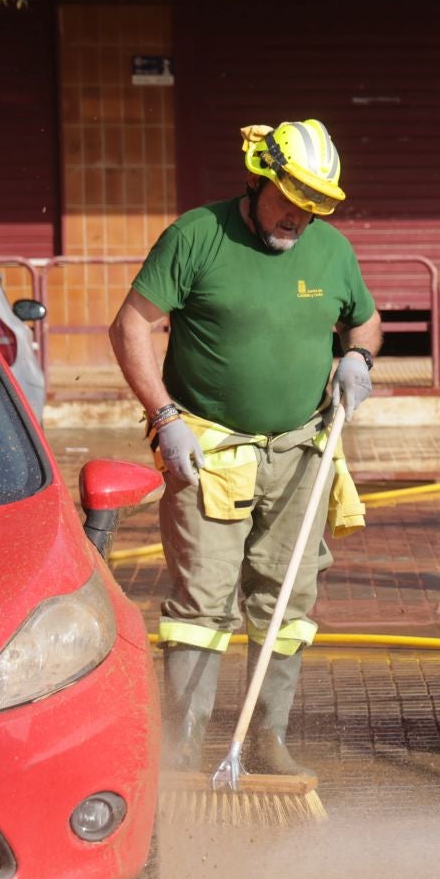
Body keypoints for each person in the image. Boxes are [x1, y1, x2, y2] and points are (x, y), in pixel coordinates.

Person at [109, 120, 382, 775]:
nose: (299, 215)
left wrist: (358, 358)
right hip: (208, 452)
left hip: (300, 451)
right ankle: (182, 745)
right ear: (259, 177)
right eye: (290, 197)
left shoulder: (332, 251)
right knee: (204, 601)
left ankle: (268, 738)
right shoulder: (197, 236)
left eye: (315, 204)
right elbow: (130, 327)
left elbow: (365, 319)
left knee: (286, 600)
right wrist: (166, 416)